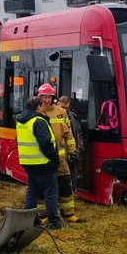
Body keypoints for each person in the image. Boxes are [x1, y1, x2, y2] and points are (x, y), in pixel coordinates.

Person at [17, 96, 63, 229]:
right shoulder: (38, 121)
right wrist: (53, 158)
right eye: (42, 105)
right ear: (38, 107)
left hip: (28, 162)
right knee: (51, 192)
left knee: (32, 191)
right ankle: (54, 222)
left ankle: (30, 220)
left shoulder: (21, 121)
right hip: (44, 163)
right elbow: (45, 143)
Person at [40, 84, 83, 224]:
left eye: (49, 97)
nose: (47, 100)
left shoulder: (61, 112)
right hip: (43, 158)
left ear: (53, 97)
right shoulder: (37, 112)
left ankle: (68, 214)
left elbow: (69, 135)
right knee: (43, 187)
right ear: (40, 97)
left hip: (61, 158)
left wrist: (72, 151)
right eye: (44, 97)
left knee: (65, 185)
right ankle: (42, 215)